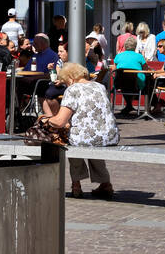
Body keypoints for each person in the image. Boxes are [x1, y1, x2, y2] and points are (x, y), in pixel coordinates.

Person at [40, 63, 118, 198]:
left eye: (65, 82)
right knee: (94, 139)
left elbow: (59, 121)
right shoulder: (100, 87)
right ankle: (105, 183)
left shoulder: (73, 89)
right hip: (109, 135)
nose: (66, 85)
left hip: (86, 137)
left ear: (70, 78)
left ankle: (76, 185)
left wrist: (45, 120)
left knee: (72, 139)